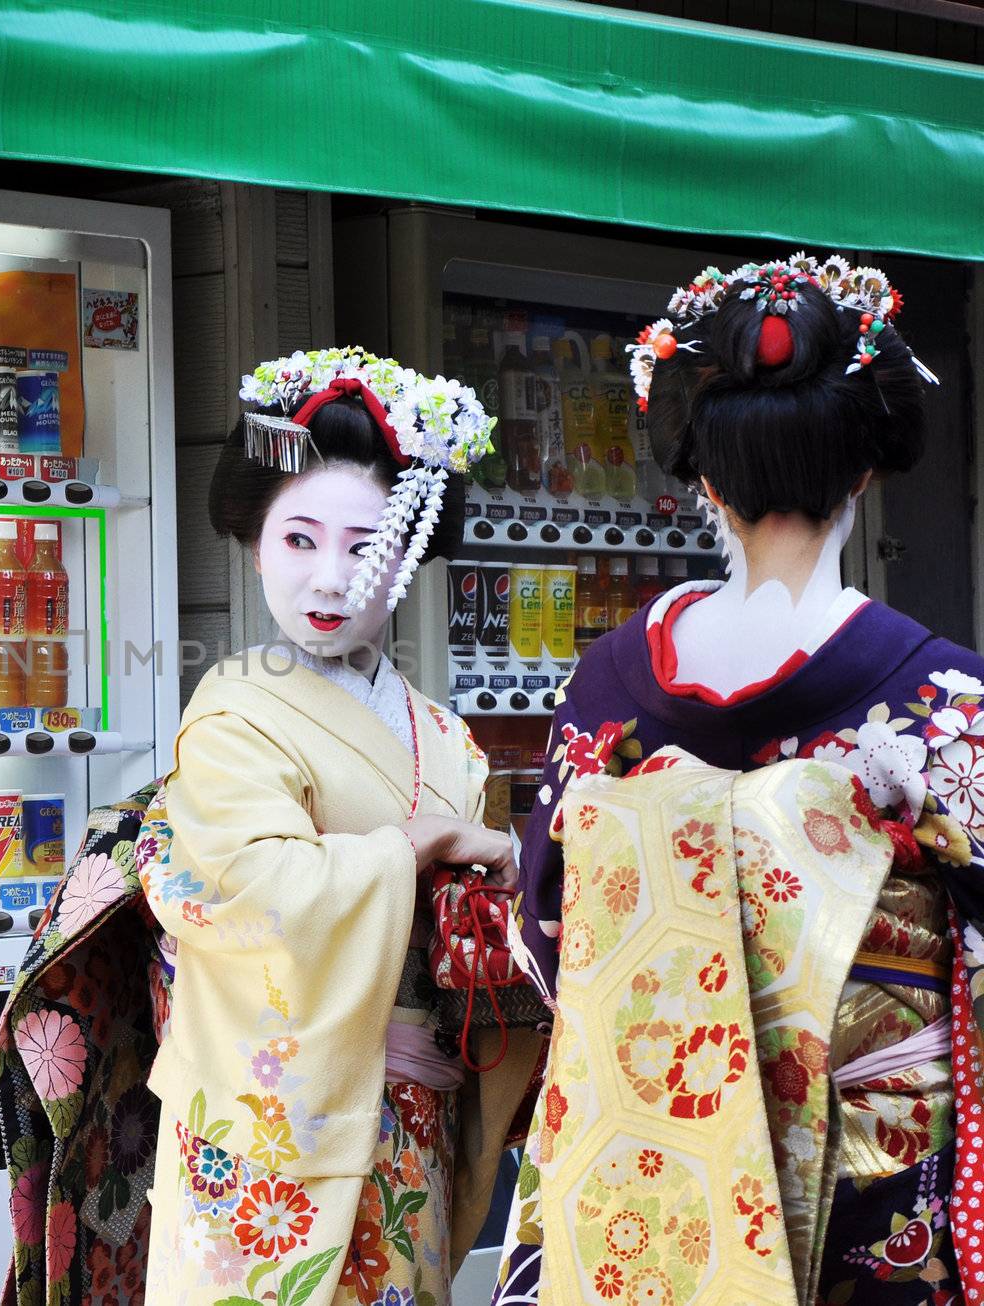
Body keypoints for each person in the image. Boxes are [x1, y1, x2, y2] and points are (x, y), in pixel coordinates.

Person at [495, 255, 984, 1303]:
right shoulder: (940, 694)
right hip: (873, 1171)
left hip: (653, 1155)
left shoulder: (605, 690)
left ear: (703, 477)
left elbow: (543, 936)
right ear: (863, 471)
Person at [141, 348, 542, 1304]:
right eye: (298, 540)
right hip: (272, 1117)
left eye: (365, 546)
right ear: (252, 543)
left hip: (417, 1113)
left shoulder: (443, 734)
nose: (330, 578)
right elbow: (253, 891)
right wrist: (421, 845)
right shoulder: (235, 708)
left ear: (406, 556)